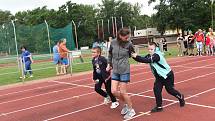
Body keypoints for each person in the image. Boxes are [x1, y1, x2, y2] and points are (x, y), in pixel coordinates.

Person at [131, 42, 185, 113]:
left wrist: (137, 56)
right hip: (159, 77)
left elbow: (147, 60)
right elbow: (142, 59)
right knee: (156, 89)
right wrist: (132, 55)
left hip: (167, 75)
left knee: (169, 90)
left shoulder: (157, 55)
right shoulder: (150, 55)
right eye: (149, 49)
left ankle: (180, 96)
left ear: (155, 48)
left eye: (151, 49)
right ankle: (159, 106)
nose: (150, 50)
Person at [106, 28, 136, 119]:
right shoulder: (113, 43)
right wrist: (109, 64)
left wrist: (142, 59)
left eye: (128, 37)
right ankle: (127, 104)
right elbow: (110, 54)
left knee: (123, 92)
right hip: (115, 70)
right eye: (126, 37)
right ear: (120, 36)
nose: (127, 39)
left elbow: (133, 54)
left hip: (124, 70)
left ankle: (131, 110)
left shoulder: (129, 44)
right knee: (113, 91)